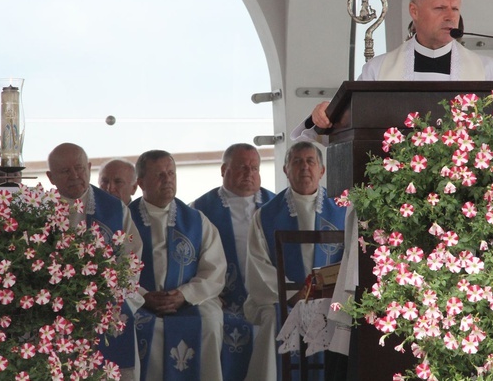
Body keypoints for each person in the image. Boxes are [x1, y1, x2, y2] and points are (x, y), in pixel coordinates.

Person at [293, 0, 493, 139]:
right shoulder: (378, 70)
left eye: (455, 8)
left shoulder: (489, 71)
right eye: (440, 8)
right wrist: (322, 115)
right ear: (414, 11)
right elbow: (344, 122)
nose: (450, 16)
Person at [244, 142, 347, 381]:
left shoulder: (343, 209)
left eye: (311, 161)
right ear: (285, 170)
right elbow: (258, 263)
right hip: (284, 299)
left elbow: (352, 258)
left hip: (333, 298)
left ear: (322, 171)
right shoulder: (266, 215)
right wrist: (293, 293)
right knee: (273, 320)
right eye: (297, 162)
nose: (304, 168)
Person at [46, 143, 143, 381]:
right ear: (50, 177)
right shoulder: (40, 209)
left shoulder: (114, 209)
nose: (75, 176)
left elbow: (131, 258)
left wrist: (107, 292)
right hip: (54, 305)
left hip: (105, 299)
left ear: (89, 168)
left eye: (79, 168)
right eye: (65, 171)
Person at [129, 150, 226, 381]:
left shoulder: (196, 219)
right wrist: (143, 296)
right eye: (159, 175)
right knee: (128, 325)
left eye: (171, 173)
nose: (168, 179)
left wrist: (183, 295)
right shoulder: (126, 219)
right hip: (139, 302)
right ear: (141, 182)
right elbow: (115, 269)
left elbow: (214, 269)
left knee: (211, 323)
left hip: (187, 299)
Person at [192, 143, 274, 381]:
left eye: (254, 168)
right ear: (223, 170)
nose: (249, 174)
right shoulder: (199, 211)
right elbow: (188, 259)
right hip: (221, 301)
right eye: (241, 168)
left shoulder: (276, 207)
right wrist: (206, 292)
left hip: (266, 298)